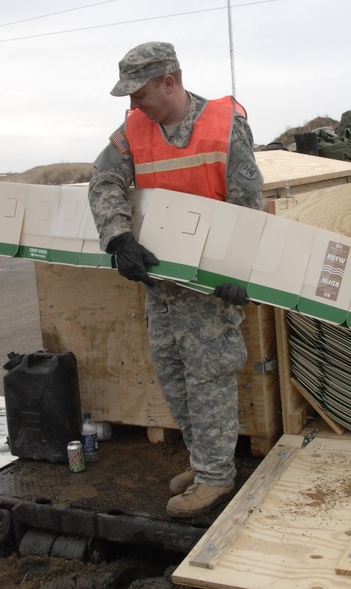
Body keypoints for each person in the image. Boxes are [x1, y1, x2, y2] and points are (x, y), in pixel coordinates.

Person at [87, 41, 264, 518]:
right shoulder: (132, 129)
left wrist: (238, 273)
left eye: (139, 92)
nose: (132, 104)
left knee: (209, 377)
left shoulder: (224, 125)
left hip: (208, 284)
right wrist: (117, 237)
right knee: (173, 375)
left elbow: (248, 205)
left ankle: (215, 478)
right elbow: (103, 179)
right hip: (160, 284)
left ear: (170, 82)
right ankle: (205, 460)